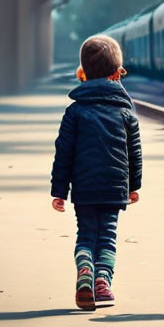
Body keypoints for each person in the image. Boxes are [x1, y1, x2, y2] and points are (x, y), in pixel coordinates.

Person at [50, 35, 143, 311]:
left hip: (85, 189)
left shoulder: (74, 112)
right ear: (117, 74)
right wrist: (133, 186)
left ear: (82, 73)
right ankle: (102, 281)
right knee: (107, 237)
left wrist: (59, 191)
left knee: (86, 234)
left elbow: (63, 153)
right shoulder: (126, 112)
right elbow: (134, 153)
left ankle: (85, 273)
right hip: (115, 188)